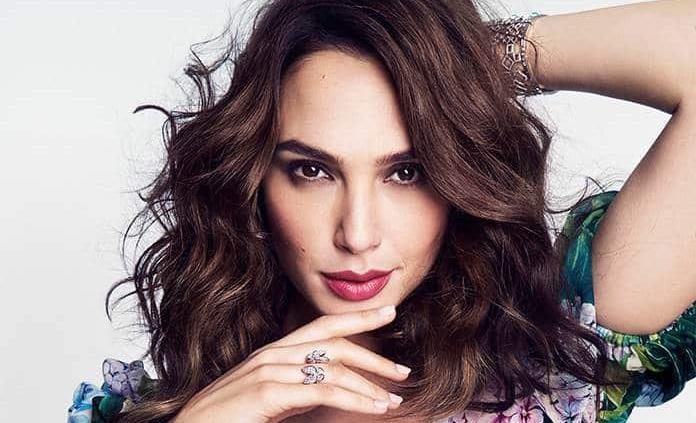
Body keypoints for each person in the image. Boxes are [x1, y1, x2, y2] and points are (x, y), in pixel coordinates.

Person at [67, 0, 696, 422]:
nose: (358, 234)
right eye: (312, 171)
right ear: (254, 178)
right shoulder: (165, 412)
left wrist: (453, 67)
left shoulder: (550, 373)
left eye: (406, 172)